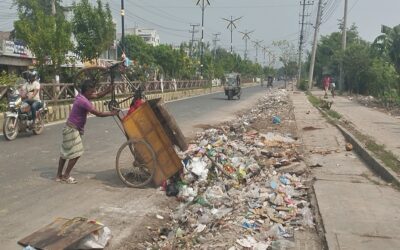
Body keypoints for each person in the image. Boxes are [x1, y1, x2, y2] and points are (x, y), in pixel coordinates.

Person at [56, 79, 118, 184]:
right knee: (77, 153)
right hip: (72, 129)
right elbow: (98, 113)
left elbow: (98, 95)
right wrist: (112, 113)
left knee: (65, 153)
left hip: (70, 128)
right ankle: (66, 176)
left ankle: (59, 175)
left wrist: (109, 89)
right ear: (87, 91)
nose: (94, 93)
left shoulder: (81, 96)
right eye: (92, 91)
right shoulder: (83, 101)